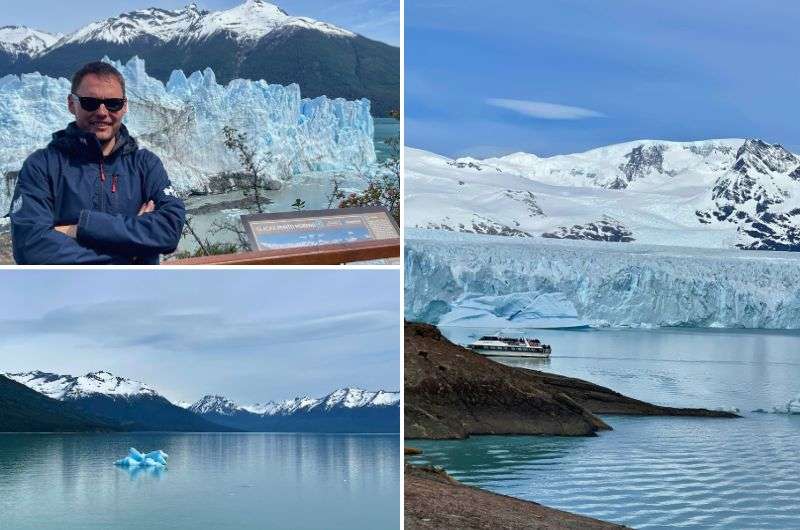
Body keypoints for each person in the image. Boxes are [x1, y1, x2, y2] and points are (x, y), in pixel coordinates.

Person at [9, 61, 185, 264]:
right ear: (71, 104)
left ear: (125, 106)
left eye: (113, 103)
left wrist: (79, 228)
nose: (102, 112)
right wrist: (133, 252)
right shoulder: (42, 166)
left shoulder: (146, 165)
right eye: (90, 103)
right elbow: (31, 249)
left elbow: (169, 230)